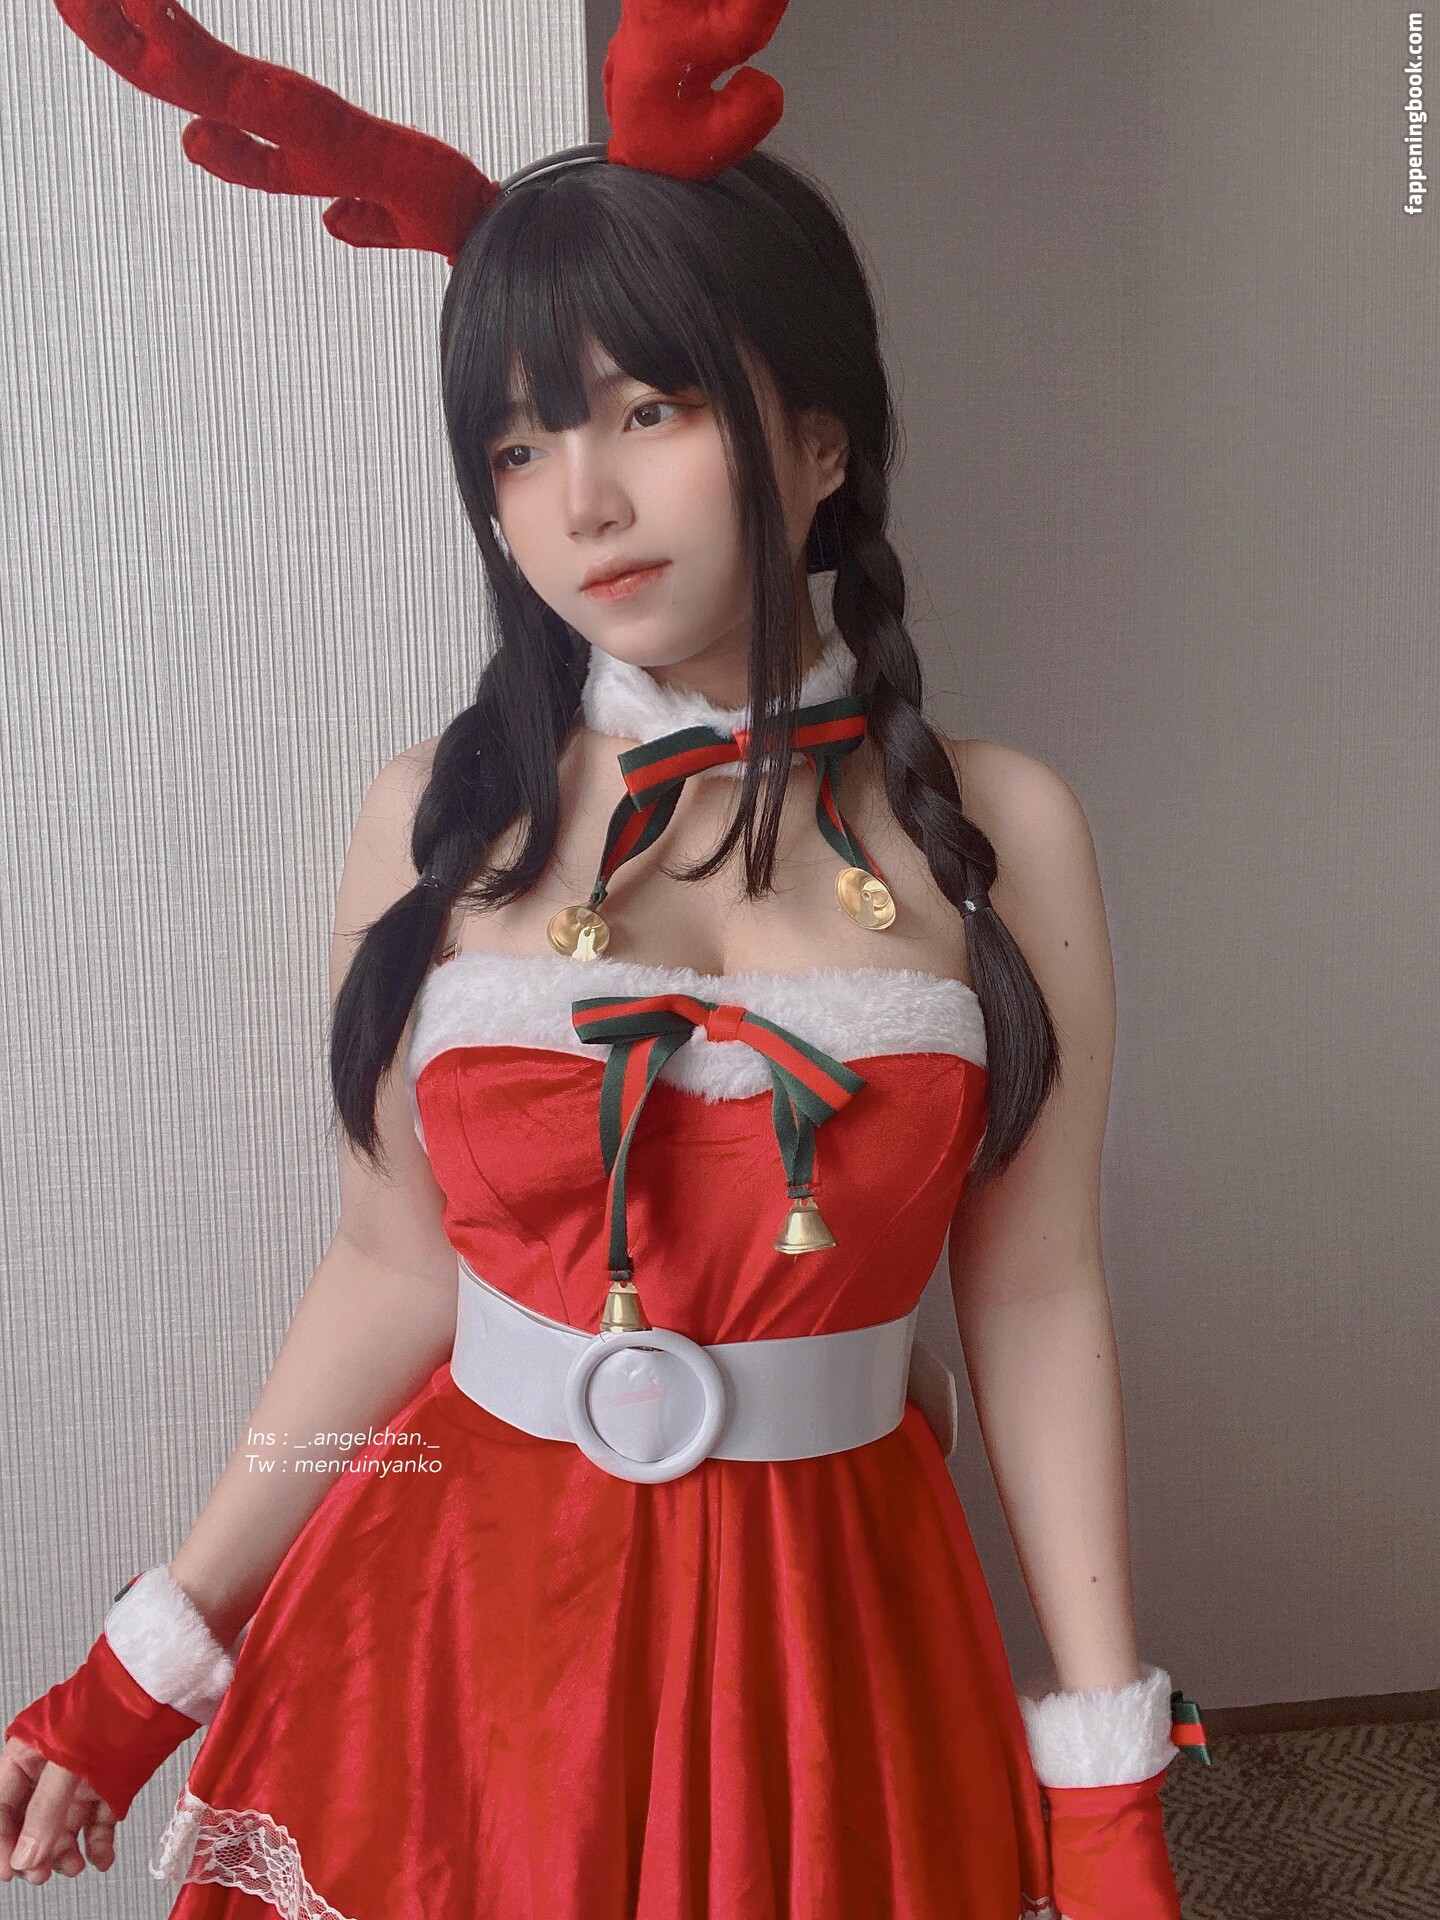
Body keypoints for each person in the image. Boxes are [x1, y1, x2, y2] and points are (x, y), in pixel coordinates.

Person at [2, 5, 1207, 1916]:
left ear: (821, 439)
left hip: (833, 1638)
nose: (582, 503)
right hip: (462, 1639)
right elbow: (390, 1272)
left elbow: (1038, 1300)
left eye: (650, 410)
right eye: (519, 443)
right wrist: (152, 1657)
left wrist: (1104, 1775)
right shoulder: (434, 820)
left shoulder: (1005, 830)